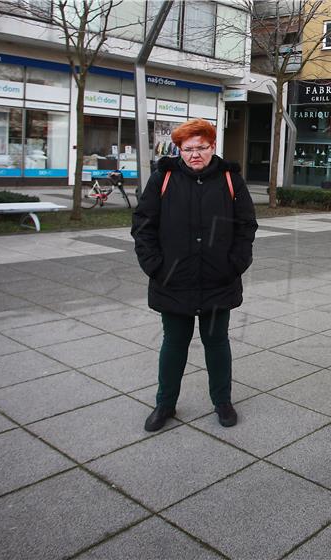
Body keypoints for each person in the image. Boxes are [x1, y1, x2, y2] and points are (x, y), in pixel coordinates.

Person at [132, 118, 257, 432]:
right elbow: (143, 225)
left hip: (219, 280)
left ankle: (222, 402)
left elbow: (246, 225)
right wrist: (156, 267)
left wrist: (235, 263)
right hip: (173, 280)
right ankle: (165, 404)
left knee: (217, 343)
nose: (195, 154)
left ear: (212, 146)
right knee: (174, 343)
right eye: (188, 149)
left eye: (201, 147)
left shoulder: (230, 178)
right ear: (179, 149)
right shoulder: (163, 176)